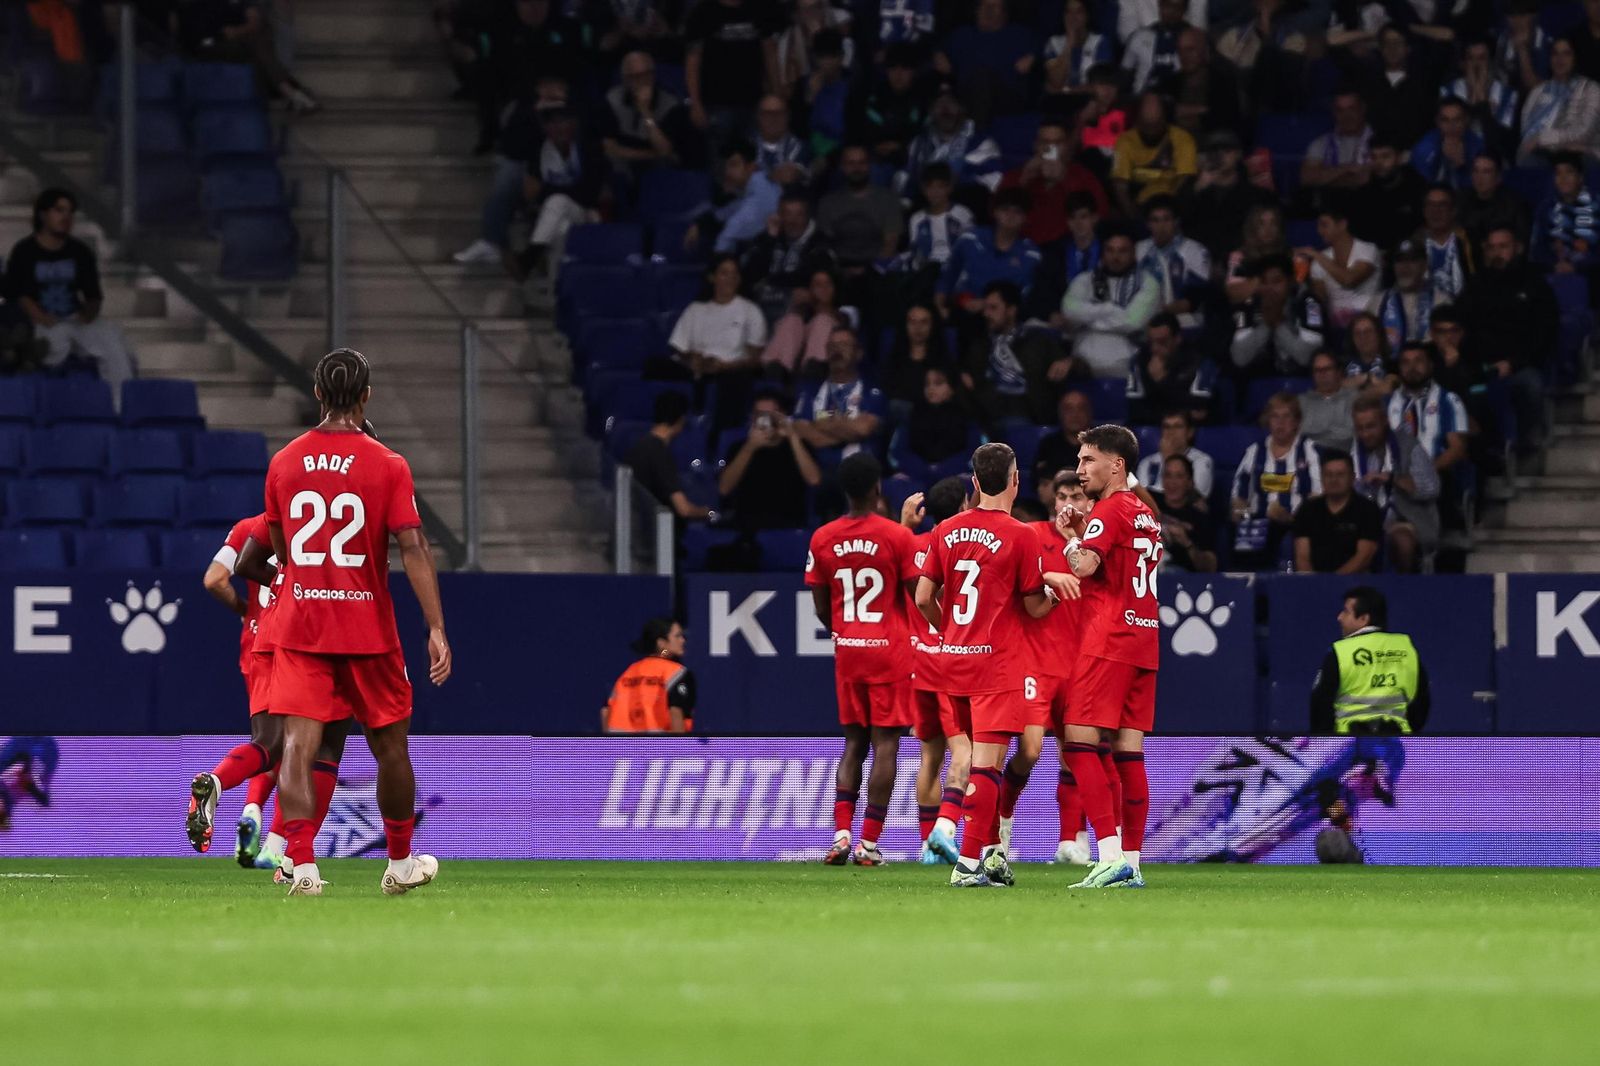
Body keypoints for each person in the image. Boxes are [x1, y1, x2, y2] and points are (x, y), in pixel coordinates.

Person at [262, 348, 451, 897]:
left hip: (302, 625)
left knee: (300, 745)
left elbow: (281, 547)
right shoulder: (387, 463)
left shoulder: (284, 462)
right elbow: (412, 545)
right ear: (367, 396)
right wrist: (435, 625)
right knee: (391, 749)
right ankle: (399, 864)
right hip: (366, 628)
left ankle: (303, 867)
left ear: (317, 394)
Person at [914, 442, 1060, 888]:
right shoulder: (1022, 535)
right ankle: (968, 864)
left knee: (972, 760)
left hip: (953, 663)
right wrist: (1051, 598)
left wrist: (953, 635)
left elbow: (923, 597)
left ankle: (990, 858)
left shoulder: (946, 531)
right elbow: (1034, 606)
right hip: (996, 668)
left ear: (975, 483)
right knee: (988, 768)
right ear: (1015, 481)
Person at [1041, 423, 1160, 889]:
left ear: (1117, 464)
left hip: (1108, 638)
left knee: (1078, 742)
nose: (1079, 469)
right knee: (1130, 755)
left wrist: (1071, 540)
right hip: (1145, 639)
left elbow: (1086, 567)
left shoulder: (1109, 511)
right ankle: (1131, 861)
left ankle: (1108, 854)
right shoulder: (1146, 514)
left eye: (1088, 460)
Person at [807, 453, 919, 866]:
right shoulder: (897, 536)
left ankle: (840, 835)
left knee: (853, 743)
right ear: (877, 488)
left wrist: (840, 630)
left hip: (848, 649)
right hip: (889, 651)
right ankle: (868, 844)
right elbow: (916, 594)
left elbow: (820, 606)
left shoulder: (822, 538)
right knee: (885, 744)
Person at [190, 511, 285, 869]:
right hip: (300, 641)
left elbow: (214, 579)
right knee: (302, 747)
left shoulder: (248, 528)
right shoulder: (313, 523)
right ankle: (278, 849)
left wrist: (246, 611)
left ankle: (239, 800)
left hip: (258, 643)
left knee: (267, 742)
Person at [4, 188, 136, 404]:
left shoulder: (80, 252)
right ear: (43, 215)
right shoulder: (24, 251)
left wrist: (87, 315)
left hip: (75, 319)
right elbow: (17, 295)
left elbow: (93, 297)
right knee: (44, 345)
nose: (66, 217)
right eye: (59, 210)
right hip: (41, 322)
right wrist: (39, 315)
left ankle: (122, 406)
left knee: (114, 344)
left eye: (70, 212)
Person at [902, 475, 971, 865]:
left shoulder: (910, 545)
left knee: (930, 756)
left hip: (918, 663)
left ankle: (926, 845)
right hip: (950, 659)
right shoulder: (963, 547)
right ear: (964, 506)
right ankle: (943, 833)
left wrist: (904, 526)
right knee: (965, 750)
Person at [1457, 225, 1558, 453]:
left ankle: (1526, 444)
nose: (1497, 253)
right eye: (1491, 248)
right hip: (1480, 366)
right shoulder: (1475, 286)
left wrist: (1513, 363)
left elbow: (1544, 333)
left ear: (1518, 248)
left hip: (1521, 365)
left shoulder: (1534, 285)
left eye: (1503, 247)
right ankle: (1483, 453)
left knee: (1531, 384)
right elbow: (1462, 327)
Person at [1309, 586, 1431, 734]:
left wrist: (1327, 742)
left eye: (1346, 612)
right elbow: (1421, 703)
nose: (1339, 617)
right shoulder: (1406, 648)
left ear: (1363, 619)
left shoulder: (1341, 652)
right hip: (1396, 743)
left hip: (1349, 747)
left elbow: (1320, 705)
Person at [961, 280, 1077, 429]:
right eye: (985, 308)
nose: (986, 314)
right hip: (988, 417)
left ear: (1011, 310)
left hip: (1028, 414)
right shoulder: (979, 345)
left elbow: (1079, 368)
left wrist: (1070, 362)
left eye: (993, 308)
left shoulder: (1038, 340)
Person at [515, 100, 610, 280]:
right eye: (553, 123)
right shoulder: (540, 152)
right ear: (546, 128)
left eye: (563, 121)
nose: (558, 128)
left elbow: (589, 195)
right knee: (561, 230)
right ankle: (556, 290)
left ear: (574, 124)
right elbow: (531, 196)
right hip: (553, 216)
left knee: (557, 200)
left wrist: (551, 190)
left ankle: (530, 256)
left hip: (586, 212)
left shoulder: (588, 149)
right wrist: (557, 191)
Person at [171, 0, 320, 113]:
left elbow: (253, 19)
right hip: (207, 46)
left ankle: (285, 91)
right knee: (257, 46)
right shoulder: (191, 6)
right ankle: (289, 90)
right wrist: (223, 35)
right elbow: (193, 37)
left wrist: (237, 31)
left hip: (237, 41)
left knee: (258, 43)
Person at [1232, 392, 1323, 569]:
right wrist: (1242, 514)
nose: (1280, 423)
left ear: (1296, 422)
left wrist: (1290, 518)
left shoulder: (1309, 450)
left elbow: (1316, 498)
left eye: (1286, 416)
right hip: (1258, 525)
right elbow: (1238, 495)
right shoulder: (1255, 451)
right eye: (1275, 416)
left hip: (1296, 525)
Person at [1352, 392, 1439, 574]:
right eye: (1360, 428)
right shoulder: (1351, 450)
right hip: (1361, 522)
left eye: (1371, 427)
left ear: (1385, 421)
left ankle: (1405, 592)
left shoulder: (1408, 446)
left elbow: (1432, 488)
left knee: (1402, 540)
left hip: (1403, 520)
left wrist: (1393, 479)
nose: (1365, 434)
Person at [1062, 225, 1160, 380]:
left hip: (1127, 365)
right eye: (1110, 250)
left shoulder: (1148, 283)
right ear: (1103, 253)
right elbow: (1069, 311)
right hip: (1083, 363)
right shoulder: (1084, 279)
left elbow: (1132, 322)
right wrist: (1111, 309)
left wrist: (1088, 319)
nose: (1115, 257)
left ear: (1134, 254)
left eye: (1122, 251)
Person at [684, 0, 783, 152]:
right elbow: (692, 60)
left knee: (755, 160)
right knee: (720, 163)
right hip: (716, 103)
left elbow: (770, 53)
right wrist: (695, 103)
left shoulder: (761, 7)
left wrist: (777, 94)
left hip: (754, 101)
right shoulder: (702, 12)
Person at [717, 392, 822, 531]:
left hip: (789, 524)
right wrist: (750, 447)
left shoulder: (800, 445)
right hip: (746, 525)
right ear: (752, 418)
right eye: (759, 414)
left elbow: (814, 480)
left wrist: (792, 437)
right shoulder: (739, 447)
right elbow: (724, 489)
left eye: (772, 414)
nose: (766, 419)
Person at [996, 119, 1108, 247]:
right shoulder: (1018, 175)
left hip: (1066, 249)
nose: (1050, 148)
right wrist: (1023, 181)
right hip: (1020, 248)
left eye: (1057, 143)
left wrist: (1065, 180)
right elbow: (995, 213)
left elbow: (1100, 214)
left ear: (1066, 146)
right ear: (1035, 145)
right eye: (1045, 142)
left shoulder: (1083, 177)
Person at [937, 188, 1043, 316]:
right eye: (1005, 209)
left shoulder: (1032, 255)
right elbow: (947, 277)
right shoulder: (970, 239)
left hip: (1004, 319)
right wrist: (939, 309)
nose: (1010, 216)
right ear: (995, 212)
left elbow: (1024, 296)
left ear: (1025, 218)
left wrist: (987, 305)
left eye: (1017, 212)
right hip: (961, 311)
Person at [599, 51, 700, 184]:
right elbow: (610, 148)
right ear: (625, 79)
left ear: (653, 75)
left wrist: (645, 111)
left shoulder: (670, 104)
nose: (642, 81)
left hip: (659, 167)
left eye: (646, 74)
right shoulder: (613, 98)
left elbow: (664, 151)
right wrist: (650, 154)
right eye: (635, 77)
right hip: (625, 162)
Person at [792, 326, 885, 466]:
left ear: (858, 353)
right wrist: (849, 428)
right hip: (817, 473)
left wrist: (820, 423)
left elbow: (863, 429)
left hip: (859, 473)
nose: (837, 350)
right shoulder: (810, 390)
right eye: (832, 345)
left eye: (844, 345)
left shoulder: (872, 391)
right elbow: (805, 432)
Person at [933, 0, 1040, 118]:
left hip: (1007, 98)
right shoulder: (961, 35)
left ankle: (979, 133)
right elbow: (934, 57)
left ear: (1005, 11)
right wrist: (938, 56)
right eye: (983, 5)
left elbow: (1046, 51)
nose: (988, 10)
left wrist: (1034, 57)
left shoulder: (1021, 35)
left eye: (995, 6)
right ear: (976, 10)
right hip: (965, 96)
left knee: (983, 77)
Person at [1229, 254, 1326, 379]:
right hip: (1262, 380)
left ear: (1290, 281)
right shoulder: (1248, 304)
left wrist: (1278, 323)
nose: (1269, 288)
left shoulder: (1309, 303)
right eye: (1263, 282)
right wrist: (1266, 326)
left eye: (1277, 281)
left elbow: (1309, 358)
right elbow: (1240, 358)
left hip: (1304, 381)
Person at [623, 391, 714, 523]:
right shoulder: (659, 453)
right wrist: (707, 512)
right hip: (654, 532)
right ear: (681, 419)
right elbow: (683, 509)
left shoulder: (640, 445)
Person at [742, 189, 831, 322]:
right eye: (787, 214)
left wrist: (771, 282)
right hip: (763, 306)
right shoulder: (766, 239)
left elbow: (810, 280)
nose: (792, 221)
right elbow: (749, 276)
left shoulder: (820, 243)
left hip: (802, 312)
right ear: (778, 215)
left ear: (808, 216)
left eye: (799, 215)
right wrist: (770, 239)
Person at [1292, 451, 1383, 574]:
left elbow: (1364, 557)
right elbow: (1302, 557)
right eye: (1328, 475)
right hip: (1313, 584)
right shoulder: (1307, 509)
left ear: (1352, 477)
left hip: (1356, 583)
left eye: (1340, 475)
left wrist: (1333, 584)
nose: (1334, 480)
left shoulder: (1368, 510)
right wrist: (1313, 584)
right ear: (1322, 477)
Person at [1109, 91, 1198, 217]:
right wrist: (1131, 215)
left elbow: (1185, 180)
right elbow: (1119, 184)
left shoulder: (1182, 139)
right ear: (1138, 121)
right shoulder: (1125, 141)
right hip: (1138, 206)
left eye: (1155, 126)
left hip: (1172, 205)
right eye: (1147, 126)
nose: (1151, 132)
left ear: (1164, 120)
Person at [687, 141, 782, 256]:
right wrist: (699, 225)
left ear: (750, 167)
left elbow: (727, 239)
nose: (727, 172)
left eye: (734, 165)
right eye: (726, 166)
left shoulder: (762, 190)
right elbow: (726, 211)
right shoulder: (749, 186)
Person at [601, 618, 695, 733]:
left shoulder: (629, 672)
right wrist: (678, 747)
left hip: (621, 747)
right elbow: (675, 710)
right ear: (661, 643)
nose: (683, 640)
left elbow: (605, 711)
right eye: (677, 636)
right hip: (656, 747)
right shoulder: (676, 673)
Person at [818, 143, 905, 268]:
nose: (857, 168)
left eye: (862, 162)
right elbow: (825, 245)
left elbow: (890, 244)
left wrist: (871, 271)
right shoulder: (828, 202)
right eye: (851, 163)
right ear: (842, 167)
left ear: (869, 165)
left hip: (877, 271)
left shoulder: (888, 200)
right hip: (839, 271)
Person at [1517, 36, 1600, 164]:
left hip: (1579, 155)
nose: (1560, 59)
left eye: (1566, 54)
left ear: (1575, 58)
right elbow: (1526, 130)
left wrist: (1542, 138)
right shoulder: (1538, 91)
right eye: (1555, 53)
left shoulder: (1591, 89)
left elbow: (1585, 132)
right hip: (1542, 154)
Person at [1125, 312, 1217, 426]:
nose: (1155, 348)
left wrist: (1162, 381)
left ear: (1177, 338)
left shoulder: (1198, 361)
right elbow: (1135, 410)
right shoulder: (1140, 360)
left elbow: (1199, 409)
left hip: (1188, 433)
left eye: (1162, 342)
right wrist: (1177, 402)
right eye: (1151, 342)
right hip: (1152, 429)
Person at [902, 90, 1004, 193]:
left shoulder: (982, 143)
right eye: (939, 104)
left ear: (962, 109)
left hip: (966, 199)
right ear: (931, 112)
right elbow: (910, 179)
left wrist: (958, 181)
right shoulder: (919, 144)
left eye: (951, 103)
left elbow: (994, 180)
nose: (945, 109)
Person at [1300, 202, 1382, 329]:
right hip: (1337, 329)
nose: (1319, 231)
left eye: (1324, 225)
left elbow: (1349, 280)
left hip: (1369, 325)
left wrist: (1316, 255)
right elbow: (1320, 300)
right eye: (1318, 226)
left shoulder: (1367, 250)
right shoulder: (1319, 262)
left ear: (1342, 225)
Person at [1136, 195, 1210, 332]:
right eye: (1155, 220)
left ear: (1176, 222)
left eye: (1166, 219)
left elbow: (1196, 296)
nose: (1161, 226)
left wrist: (1163, 311)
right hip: (1144, 321)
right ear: (1148, 224)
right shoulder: (1138, 250)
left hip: (1184, 323)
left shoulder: (1194, 250)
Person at [1360, 23, 1439, 147]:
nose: (1392, 48)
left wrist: (1412, 29)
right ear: (1380, 48)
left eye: (1398, 43)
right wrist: (1373, 33)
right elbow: (1333, 42)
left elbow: (1448, 36)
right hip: (1378, 155)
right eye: (1387, 43)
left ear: (1408, 48)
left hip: (1415, 154)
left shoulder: (1423, 81)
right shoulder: (1370, 80)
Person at [1442, 37, 1519, 159]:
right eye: (1470, 58)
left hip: (1492, 157)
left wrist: (1481, 95)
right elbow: (1452, 130)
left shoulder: (1508, 94)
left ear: (1491, 63)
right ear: (1463, 63)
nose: (1476, 64)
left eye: (1482, 58)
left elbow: (1499, 140)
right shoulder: (1448, 90)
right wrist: (1474, 94)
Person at [762, 267, 847, 378]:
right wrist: (800, 306)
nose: (823, 288)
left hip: (824, 367)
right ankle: (775, 370)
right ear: (809, 289)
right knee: (792, 320)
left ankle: (814, 370)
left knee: (822, 320)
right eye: (818, 284)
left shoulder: (842, 314)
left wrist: (825, 310)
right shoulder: (800, 314)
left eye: (828, 284)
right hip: (790, 367)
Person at [1157, 26, 1241, 137]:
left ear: (1205, 52)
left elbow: (1225, 117)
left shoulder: (1223, 82)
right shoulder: (1169, 83)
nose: (1184, 56)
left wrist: (1184, 111)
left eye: (1190, 50)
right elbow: (1162, 113)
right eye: (1180, 50)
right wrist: (1201, 110)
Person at [1532, 152, 1599, 286]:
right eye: (1558, 173)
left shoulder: (1596, 207)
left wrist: (1578, 266)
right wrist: (1555, 264)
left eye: (1569, 172)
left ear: (1580, 177)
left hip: (1592, 275)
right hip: (1553, 271)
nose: (1563, 178)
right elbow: (1537, 248)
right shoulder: (1546, 209)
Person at [1371, 238, 1445, 351]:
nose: (1405, 267)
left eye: (1412, 260)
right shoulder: (1378, 302)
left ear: (1424, 265)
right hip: (1389, 365)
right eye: (1400, 261)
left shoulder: (1441, 301)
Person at [1458, 154, 1532, 263]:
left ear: (1498, 177)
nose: (1479, 177)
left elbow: (1521, 244)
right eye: (1476, 171)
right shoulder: (1460, 199)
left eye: (1486, 172)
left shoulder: (1515, 204)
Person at [895, 366, 972, 470]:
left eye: (938, 383)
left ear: (951, 388)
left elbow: (973, 453)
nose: (931, 388)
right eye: (927, 384)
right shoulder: (914, 414)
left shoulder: (966, 416)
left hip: (955, 474)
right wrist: (923, 469)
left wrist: (944, 469)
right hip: (919, 475)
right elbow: (899, 452)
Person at [904, 162, 975, 272]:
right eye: (930, 187)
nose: (935, 192)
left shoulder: (962, 214)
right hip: (927, 272)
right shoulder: (917, 219)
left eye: (940, 186)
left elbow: (970, 247)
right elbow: (914, 250)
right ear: (923, 189)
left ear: (950, 188)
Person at [1300, 89, 1374, 194]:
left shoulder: (1379, 140)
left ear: (1362, 109)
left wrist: (1326, 177)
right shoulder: (1320, 143)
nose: (1346, 116)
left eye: (1351, 109)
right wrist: (1347, 168)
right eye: (1340, 110)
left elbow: (1367, 180)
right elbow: (1307, 179)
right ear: (1334, 112)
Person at [1153, 453, 1217, 572]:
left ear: (1189, 482)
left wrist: (1187, 543)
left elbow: (1210, 567)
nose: (1172, 483)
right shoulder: (1148, 499)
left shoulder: (1200, 518)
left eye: (1179, 476)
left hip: (1175, 576)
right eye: (1168, 475)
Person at [1414, 183, 1475, 300]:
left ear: (1454, 210)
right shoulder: (1415, 243)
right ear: (1424, 211)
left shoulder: (1469, 241)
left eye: (1442, 205)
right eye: (1430, 205)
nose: (1435, 211)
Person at [1135, 407, 1214, 496]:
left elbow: (1192, 498)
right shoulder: (1147, 463)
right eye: (1167, 427)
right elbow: (1144, 500)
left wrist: (1168, 459)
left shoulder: (1202, 461)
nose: (1171, 432)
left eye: (1178, 426)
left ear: (1190, 432)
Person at [1409, 97, 1483, 189]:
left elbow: (1481, 189)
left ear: (1466, 120)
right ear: (1437, 121)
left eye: (1457, 120)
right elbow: (1422, 186)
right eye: (1445, 120)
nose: (1451, 126)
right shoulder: (1424, 147)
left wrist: (1461, 166)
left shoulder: (1479, 147)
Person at [1122, 0, 1193, 94]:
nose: (1172, 11)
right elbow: (1125, 73)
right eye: (1168, 6)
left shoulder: (1196, 40)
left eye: (1178, 7)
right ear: (1159, 5)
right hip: (1141, 99)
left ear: (1185, 10)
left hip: (1180, 100)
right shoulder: (1139, 37)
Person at [1043, 0, 1112, 95]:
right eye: (1068, 12)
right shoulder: (1053, 43)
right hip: (1060, 102)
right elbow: (1056, 82)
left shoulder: (1099, 42)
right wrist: (1069, 43)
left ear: (1087, 15)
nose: (1073, 17)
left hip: (1090, 101)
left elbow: (1099, 86)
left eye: (1079, 12)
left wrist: (1065, 90)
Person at [1301, 349, 1357, 452]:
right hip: (1309, 458)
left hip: (1345, 455)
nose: (1323, 375)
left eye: (1327, 369)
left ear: (1338, 372)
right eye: (1318, 370)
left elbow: (1350, 434)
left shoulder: (1354, 399)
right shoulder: (1301, 402)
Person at [1035, 388, 1094, 484]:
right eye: (1069, 409)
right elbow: (1041, 484)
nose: (1075, 414)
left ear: (1089, 413)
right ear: (1060, 413)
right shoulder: (1049, 445)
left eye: (1081, 408)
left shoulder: (1102, 444)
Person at [753, 95, 810, 187]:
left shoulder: (800, 147)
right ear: (758, 116)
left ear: (788, 116)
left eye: (779, 113)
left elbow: (788, 177)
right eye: (767, 113)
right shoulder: (746, 143)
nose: (773, 119)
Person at [1343, 310, 1396, 393]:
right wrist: (1368, 377)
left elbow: (1387, 388)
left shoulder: (1392, 364)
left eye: (1368, 332)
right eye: (1357, 333)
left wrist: (1359, 381)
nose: (1363, 337)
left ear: (1379, 335)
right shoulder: (1343, 365)